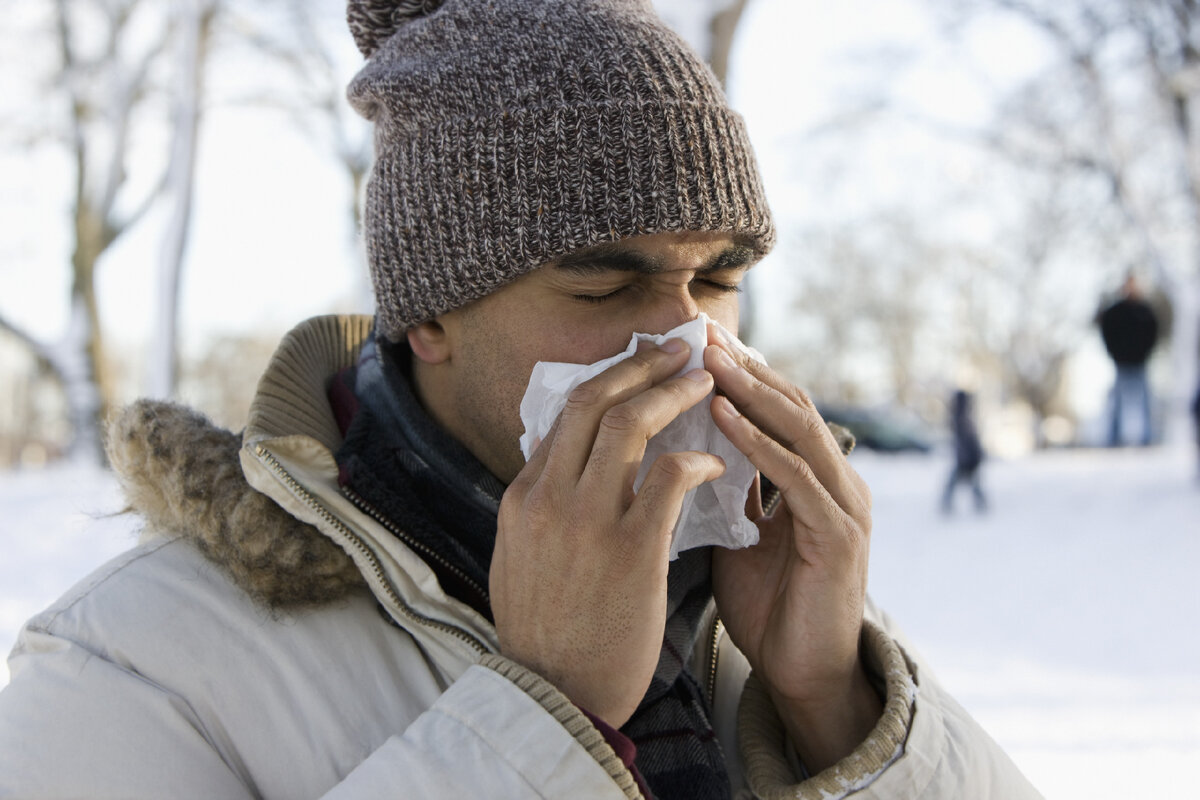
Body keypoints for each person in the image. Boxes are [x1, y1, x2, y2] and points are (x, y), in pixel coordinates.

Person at [0, 2, 1041, 798]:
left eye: (717, 281)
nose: (686, 340)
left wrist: (836, 701)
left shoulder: (753, 605)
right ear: (432, 313)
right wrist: (544, 716)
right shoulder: (134, 660)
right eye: (605, 284)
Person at [1098, 273, 1160, 446]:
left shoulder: (1145, 311)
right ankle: (1113, 437)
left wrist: (1146, 352)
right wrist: (1114, 352)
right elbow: (1106, 330)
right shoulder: (1116, 311)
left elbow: (1153, 332)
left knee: (1146, 400)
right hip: (1121, 362)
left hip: (1140, 362)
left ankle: (1147, 437)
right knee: (1116, 401)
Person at [941, 389, 987, 514]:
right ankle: (981, 505)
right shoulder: (964, 416)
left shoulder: (960, 417)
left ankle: (946, 506)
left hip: (966, 458)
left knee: (958, 483)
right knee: (969, 483)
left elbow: (967, 440)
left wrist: (968, 457)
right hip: (968, 458)